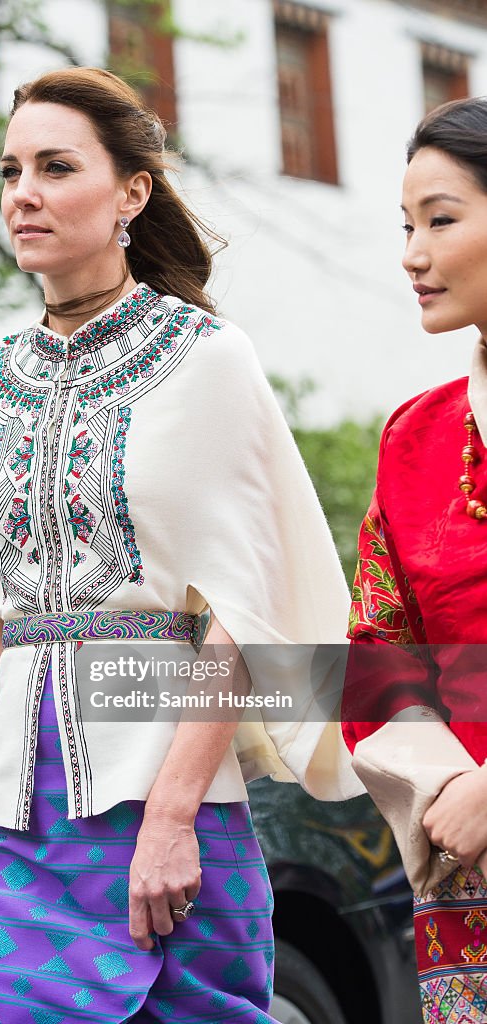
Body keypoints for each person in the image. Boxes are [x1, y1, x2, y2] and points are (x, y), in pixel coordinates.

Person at [0, 66, 360, 1024]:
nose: (24, 192)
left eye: (56, 167)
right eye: (10, 169)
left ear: (131, 193)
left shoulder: (207, 360)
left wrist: (174, 818)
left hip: (165, 811)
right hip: (4, 825)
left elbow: (243, 618)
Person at [342, 96, 487, 1024]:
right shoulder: (413, 437)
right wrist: (446, 785)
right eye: (405, 226)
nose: (411, 254)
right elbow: (376, 651)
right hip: (464, 865)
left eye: (440, 219)